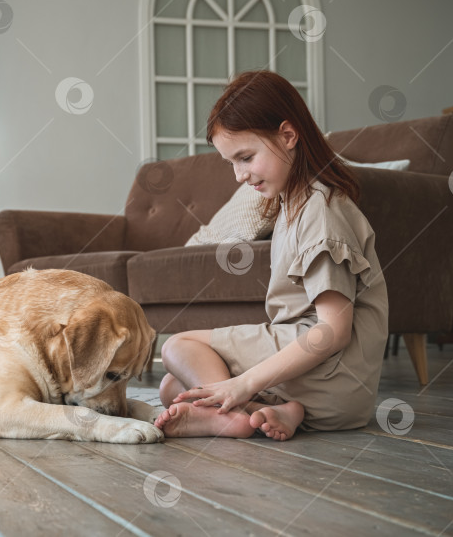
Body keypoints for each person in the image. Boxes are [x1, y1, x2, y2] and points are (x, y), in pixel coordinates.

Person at [153, 70, 388, 441]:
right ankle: (276, 412)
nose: (238, 175)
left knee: (178, 346)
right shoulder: (292, 205)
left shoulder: (321, 211)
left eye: (245, 157)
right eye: (231, 162)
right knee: (173, 385)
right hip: (324, 391)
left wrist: (245, 383)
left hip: (331, 376)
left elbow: (333, 331)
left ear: (288, 135)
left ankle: (234, 417)